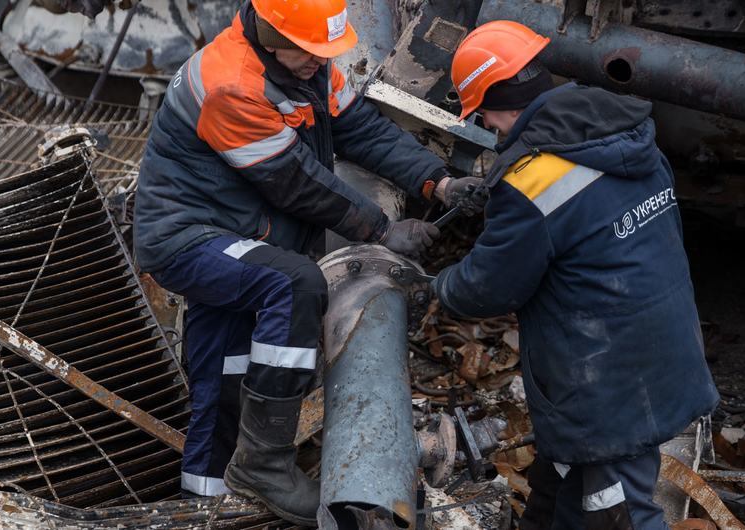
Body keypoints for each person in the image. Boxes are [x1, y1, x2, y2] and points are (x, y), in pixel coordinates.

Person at [132, 0, 482, 524]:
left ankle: (202, 505)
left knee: (225, 373)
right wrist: (383, 229)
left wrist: (440, 181)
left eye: (324, 52)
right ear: (271, 34)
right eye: (310, 52)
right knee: (294, 284)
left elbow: (361, 129)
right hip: (188, 238)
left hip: (237, 233)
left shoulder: (306, 64)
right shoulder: (231, 83)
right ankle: (264, 465)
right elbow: (295, 181)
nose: (321, 63)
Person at [436, 21, 719, 529]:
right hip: (666, 345)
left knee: (623, 513)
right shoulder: (625, 130)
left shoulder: (530, 179)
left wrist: (435, 284)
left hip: (606, 380)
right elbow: (596, 224)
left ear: (492, 102)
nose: (492, 129)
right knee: (562, 499)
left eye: (483, 115)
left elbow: (488, 287)